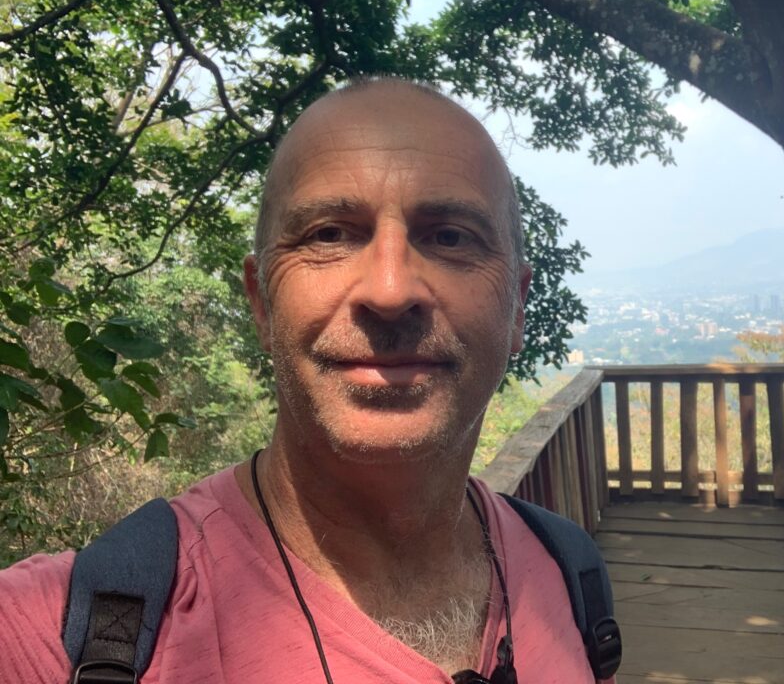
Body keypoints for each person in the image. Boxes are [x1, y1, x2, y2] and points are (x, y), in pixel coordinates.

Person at [0, 78, 614, 682]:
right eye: (329, 235)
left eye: (450, 237)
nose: (391, 290)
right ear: (261, 303)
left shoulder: (569, 576)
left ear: (518, 308)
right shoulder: (50, 635)